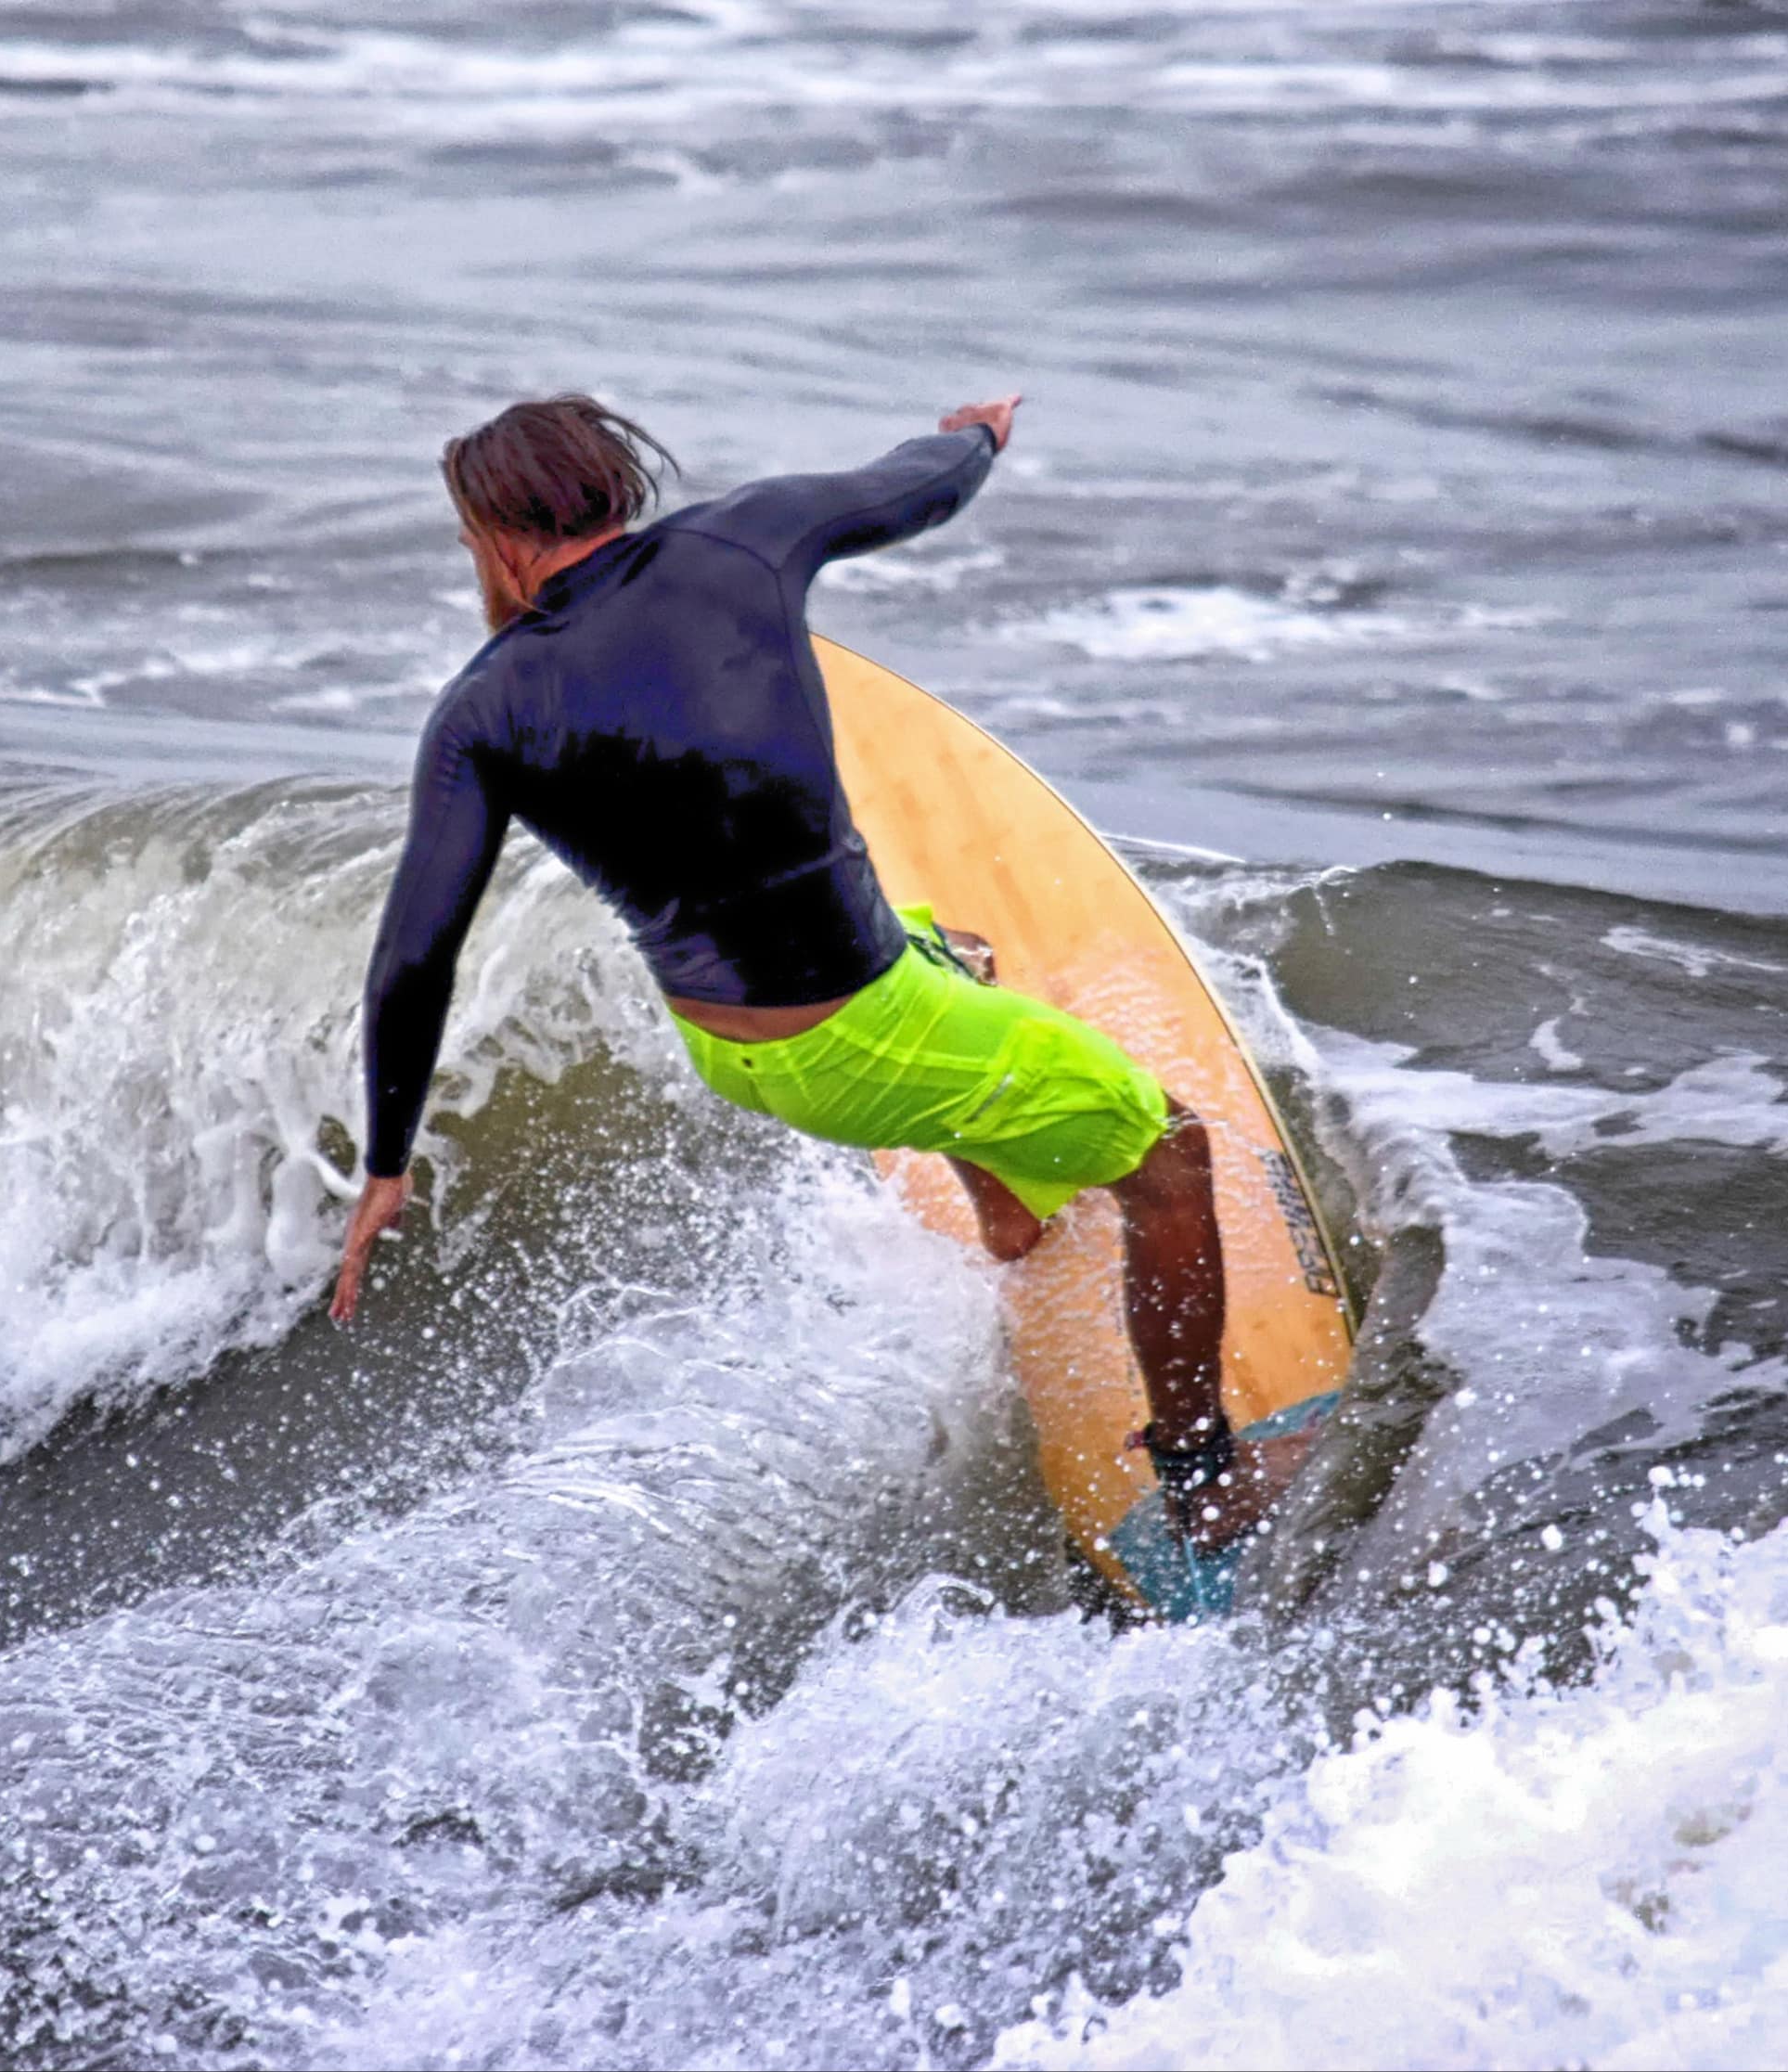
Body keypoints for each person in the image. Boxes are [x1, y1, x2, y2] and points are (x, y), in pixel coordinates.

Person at [329, 392, 1307, 1551]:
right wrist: (978, 434)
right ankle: (1204, 1480)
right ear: (614, 482)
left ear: (493, 533)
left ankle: (1006, 1210)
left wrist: (386, 1161)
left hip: (733, 1049)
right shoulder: (744, 539)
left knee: (957, 952)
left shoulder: (480, 708)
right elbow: (918, 485)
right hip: (857, 1042)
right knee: (1171, 1155)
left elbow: (413, 951)